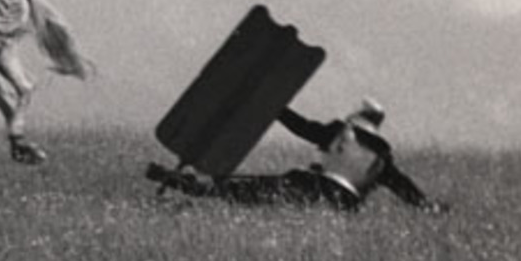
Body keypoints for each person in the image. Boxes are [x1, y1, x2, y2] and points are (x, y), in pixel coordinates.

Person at [147, 98, 440, 211]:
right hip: (343, 208)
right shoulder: (382, 158)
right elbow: (404, 188)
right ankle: (187, 190)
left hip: (306, 188)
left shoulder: (342, 132)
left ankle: (181, 185)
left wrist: (275, 107)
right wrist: (429, 207)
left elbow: (303, 128)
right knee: (245, 197)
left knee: (238, 190)